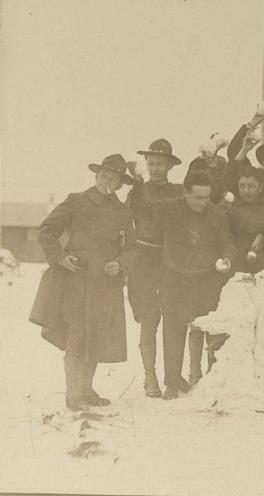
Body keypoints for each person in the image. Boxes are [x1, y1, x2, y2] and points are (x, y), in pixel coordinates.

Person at [32, 154, 137, 411]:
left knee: (96, 337)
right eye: (104, 175)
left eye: (114, 178)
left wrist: (120, 263)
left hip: (105, 286)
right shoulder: (77, 202)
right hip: (75, 281)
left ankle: (87, 388)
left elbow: (132, 248)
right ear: (97, 175)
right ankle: (74, 393)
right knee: (77, 335)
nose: (108, 182)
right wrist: (60, 257)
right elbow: (47, 230)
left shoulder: (122, 212)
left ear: (121, 184)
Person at [148, 170, 236, 399]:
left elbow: (227, 242)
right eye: (197, 197)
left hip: (207, 280)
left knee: (212, 328)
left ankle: (215, 379)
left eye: (206, 197)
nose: (202, 202)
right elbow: (144, 207)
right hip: (174, 279)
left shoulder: (217, 214)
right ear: (185, 193)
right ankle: (172, 382)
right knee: (173, 330)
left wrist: (227, 258)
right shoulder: (170, 208)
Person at [126, 138, 185, 398]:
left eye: (160, 163)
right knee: (149, 319)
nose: (155, 168)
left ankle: (175, 377)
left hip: (171, 259)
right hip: (144, 260)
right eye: (151, 163)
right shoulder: (138, 190)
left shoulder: (179, 192)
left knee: (174, 316)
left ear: (169, 165)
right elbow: (126, 220)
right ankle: (149, 377)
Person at [227, 164, 264, 274]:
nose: (246, 190)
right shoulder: (231, 209)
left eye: (251, 186)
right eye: (242, 186)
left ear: (260, 188)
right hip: (238, 264)